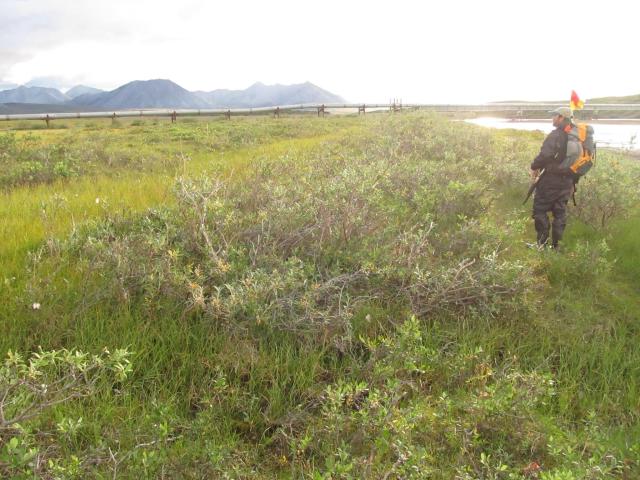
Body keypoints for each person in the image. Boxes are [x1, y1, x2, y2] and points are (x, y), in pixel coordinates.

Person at [530, 107, 575, 249]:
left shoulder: (556, 135)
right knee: (560, 213)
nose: (552, 118)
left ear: (561, 117)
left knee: (540, 209)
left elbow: (545, 155)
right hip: (568, 181)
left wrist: (534, 166)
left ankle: (541, 246)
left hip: (551, 180)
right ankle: (556, 247)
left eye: (554, 116)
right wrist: (574, 182)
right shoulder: (576, 136)